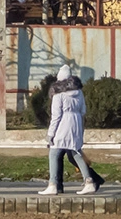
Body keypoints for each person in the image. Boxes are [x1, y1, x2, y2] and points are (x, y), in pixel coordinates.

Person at [40, 65, 105, 196]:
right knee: (75, 152)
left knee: (54, 153)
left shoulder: (58, 94)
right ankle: (89, 181)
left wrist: (50, 134)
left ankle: (53, 184)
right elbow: (83, 111)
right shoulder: (79, 92)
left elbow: (56, 116)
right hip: (76, 123)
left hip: (63, 125)